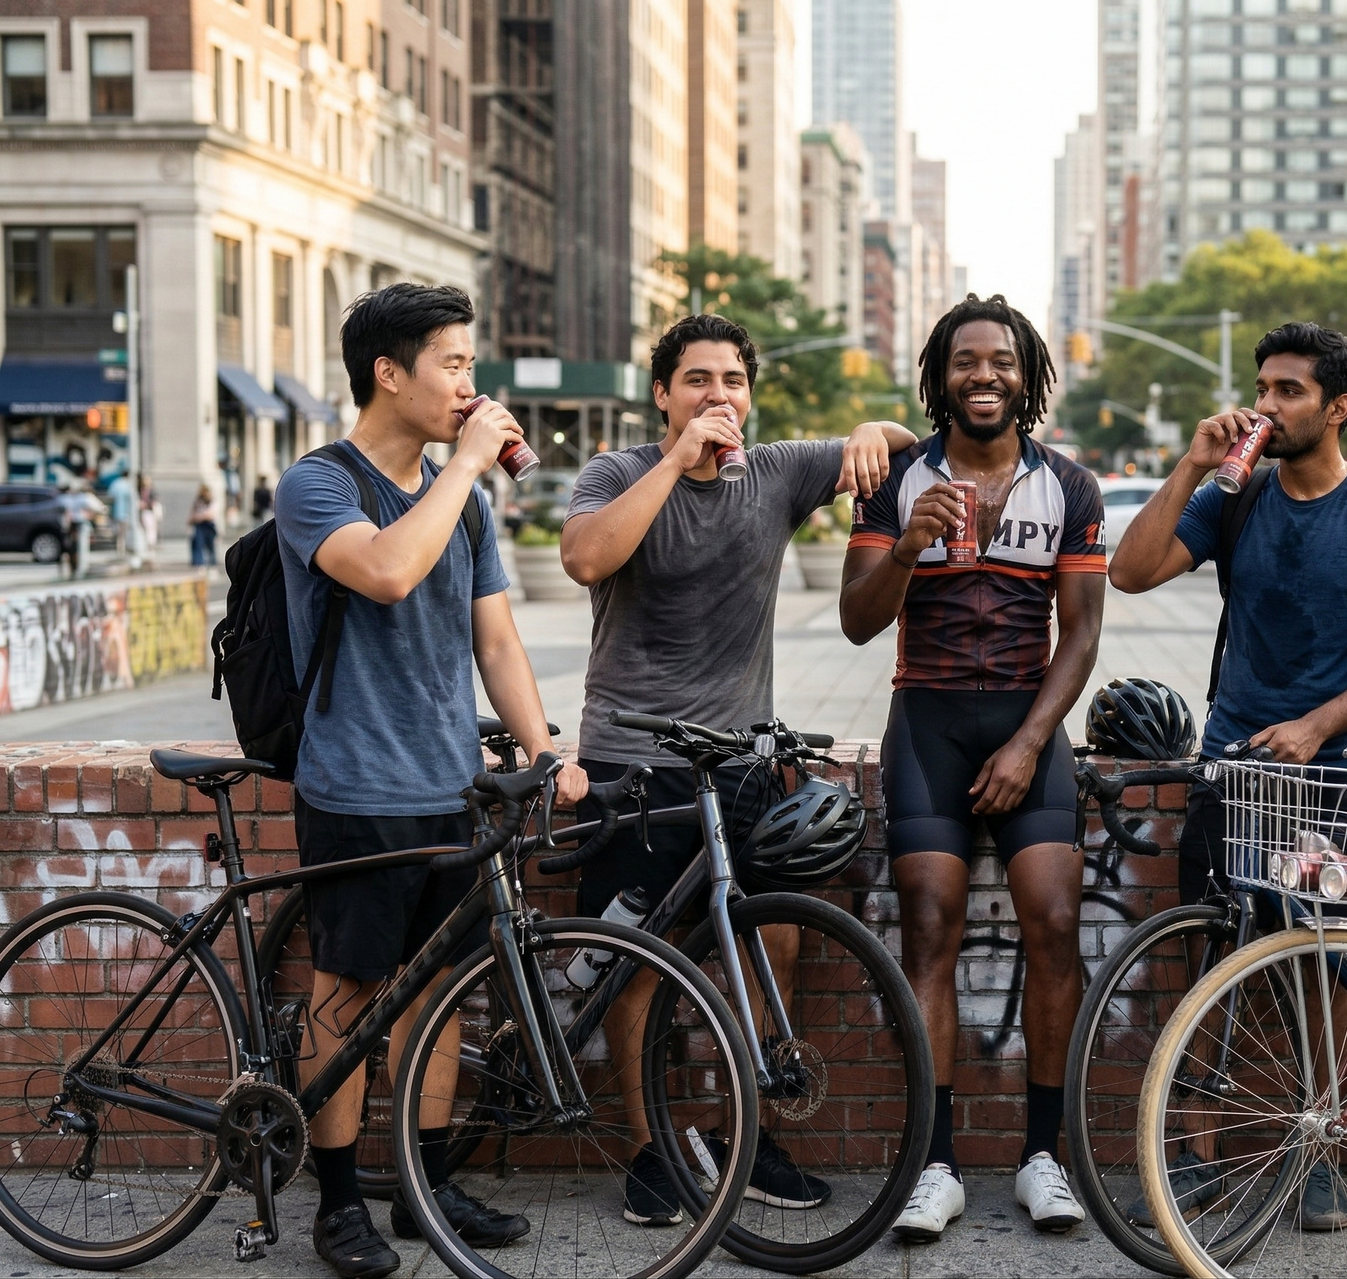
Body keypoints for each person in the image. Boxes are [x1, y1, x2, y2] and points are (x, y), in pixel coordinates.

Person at [559, 311, 916, 1227]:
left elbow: (902, 448)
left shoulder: (779, 471)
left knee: (776, 937)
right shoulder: (618, 473)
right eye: (698, 381)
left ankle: (751, 1139)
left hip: (744, 761)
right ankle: (651, 1152)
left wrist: (874, 433)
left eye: (732, 382)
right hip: (629, 764)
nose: (719, 397)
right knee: (639, 965)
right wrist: (677, 462)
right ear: (663, 394)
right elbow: (584, 556)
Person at [275, 282, 587, 1279]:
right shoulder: (319, 483)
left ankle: (424, 1181)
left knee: (443, 994)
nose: (469, 384)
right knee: (346, 990)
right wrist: (461, 467)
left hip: (452, 787)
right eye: (452, 363)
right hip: (355, 784)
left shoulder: (467, 503)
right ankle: (332, 1202)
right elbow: (385, 572)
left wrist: (544, 750)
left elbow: (494, 638)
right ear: (388, 372)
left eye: (471, 364)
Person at [1107, 320, 1347, 1230]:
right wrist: (1190, 464)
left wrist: (1318, 725)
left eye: (1289, 390)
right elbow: (1129, 573)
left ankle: (1320, 1150)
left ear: (1338, 406)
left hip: (1339, 774)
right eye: (1262, 387)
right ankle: (1194, 1156)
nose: (1266, 404)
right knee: (1212, 951)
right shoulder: (1237, 498)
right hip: (1232, 766)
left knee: (1324, 966)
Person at [839, 294, 1106, 1243]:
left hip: (1027, 723)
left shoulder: (1067, 485)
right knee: (929, 932)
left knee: (1057, 922)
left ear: (1027, 375)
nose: (982, 375)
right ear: (940, 375)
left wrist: (1031, 742)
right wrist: (908, 545)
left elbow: (1080, 637)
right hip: (929, 723)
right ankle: (935, 1164)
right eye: (965, 361)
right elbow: (858, 620)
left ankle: (1047, 1156)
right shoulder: (898, 479)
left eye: (1001, 361)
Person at [107, 469, 144, 568]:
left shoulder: (115, 484)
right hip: (127, 514)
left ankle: (120, 551)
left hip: (116, 513)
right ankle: (124, 551)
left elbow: (111, 498)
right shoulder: (129, 486)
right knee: (124, 534)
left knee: (119, 535)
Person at [189, 484, 219, 566]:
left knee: (210, 545)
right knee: (198, 543)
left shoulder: (212, 501)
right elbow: (193, 513)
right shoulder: (198, 501)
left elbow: (211, 514)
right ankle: (199, 563)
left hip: (209, 525)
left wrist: (200, 516)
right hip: (199, 525)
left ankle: (212, 562)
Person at [138, 473, 161, 560]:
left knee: (151, 528)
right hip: (144, 512)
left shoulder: (151, 491)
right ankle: (148, 544)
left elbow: (154, 501)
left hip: (150, 512)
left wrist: (147, 504)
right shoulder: (141, 491)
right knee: (146, 528)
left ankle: (151, 544)